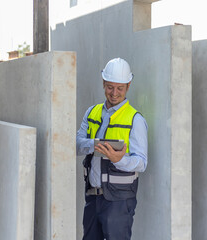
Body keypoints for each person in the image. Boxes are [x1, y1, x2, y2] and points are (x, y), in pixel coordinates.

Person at [76, 58, 148, 240]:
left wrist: (119, 160)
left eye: (120, 88)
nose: (114, 93)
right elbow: (76, 145)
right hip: (93, 196)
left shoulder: (135, 120)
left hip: (119, 201)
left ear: (128, 86)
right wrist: (94, 144)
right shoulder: (91, 112)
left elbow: (142, 163)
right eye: (110, 87)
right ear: (103, 83)